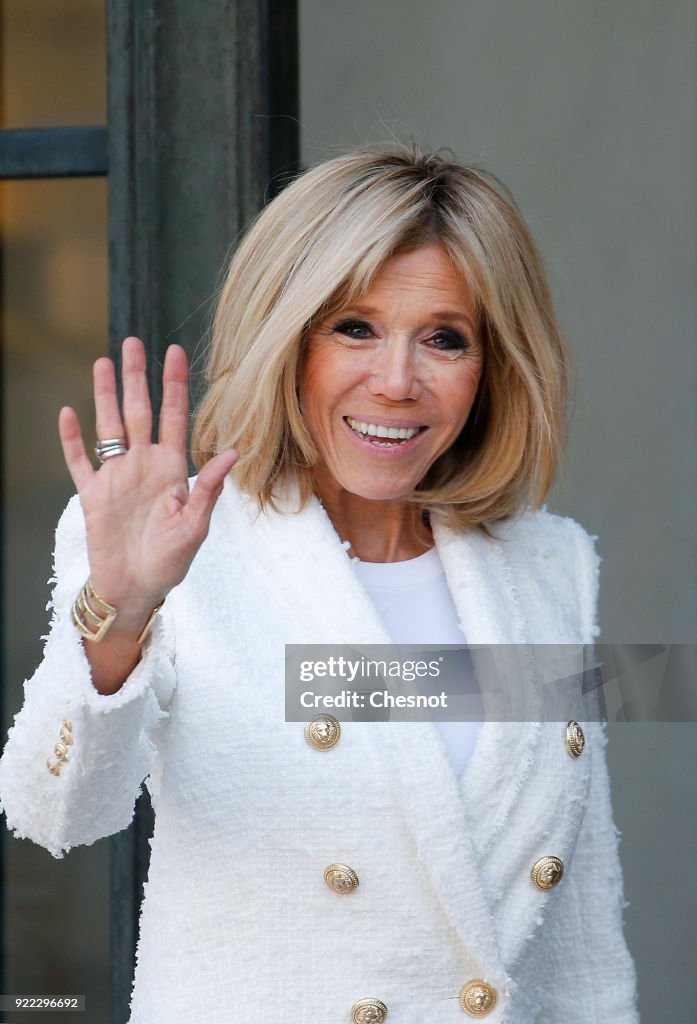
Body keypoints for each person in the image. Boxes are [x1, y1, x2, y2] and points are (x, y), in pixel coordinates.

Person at [0, 144, 639, 1023]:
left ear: (493, 365)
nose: (397, 381)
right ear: (286, 337)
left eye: (444, 338)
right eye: (354, 328)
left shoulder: (549, 565)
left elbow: (578, 933)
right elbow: (56, 811)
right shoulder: (177, 552)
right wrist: (125, 610)